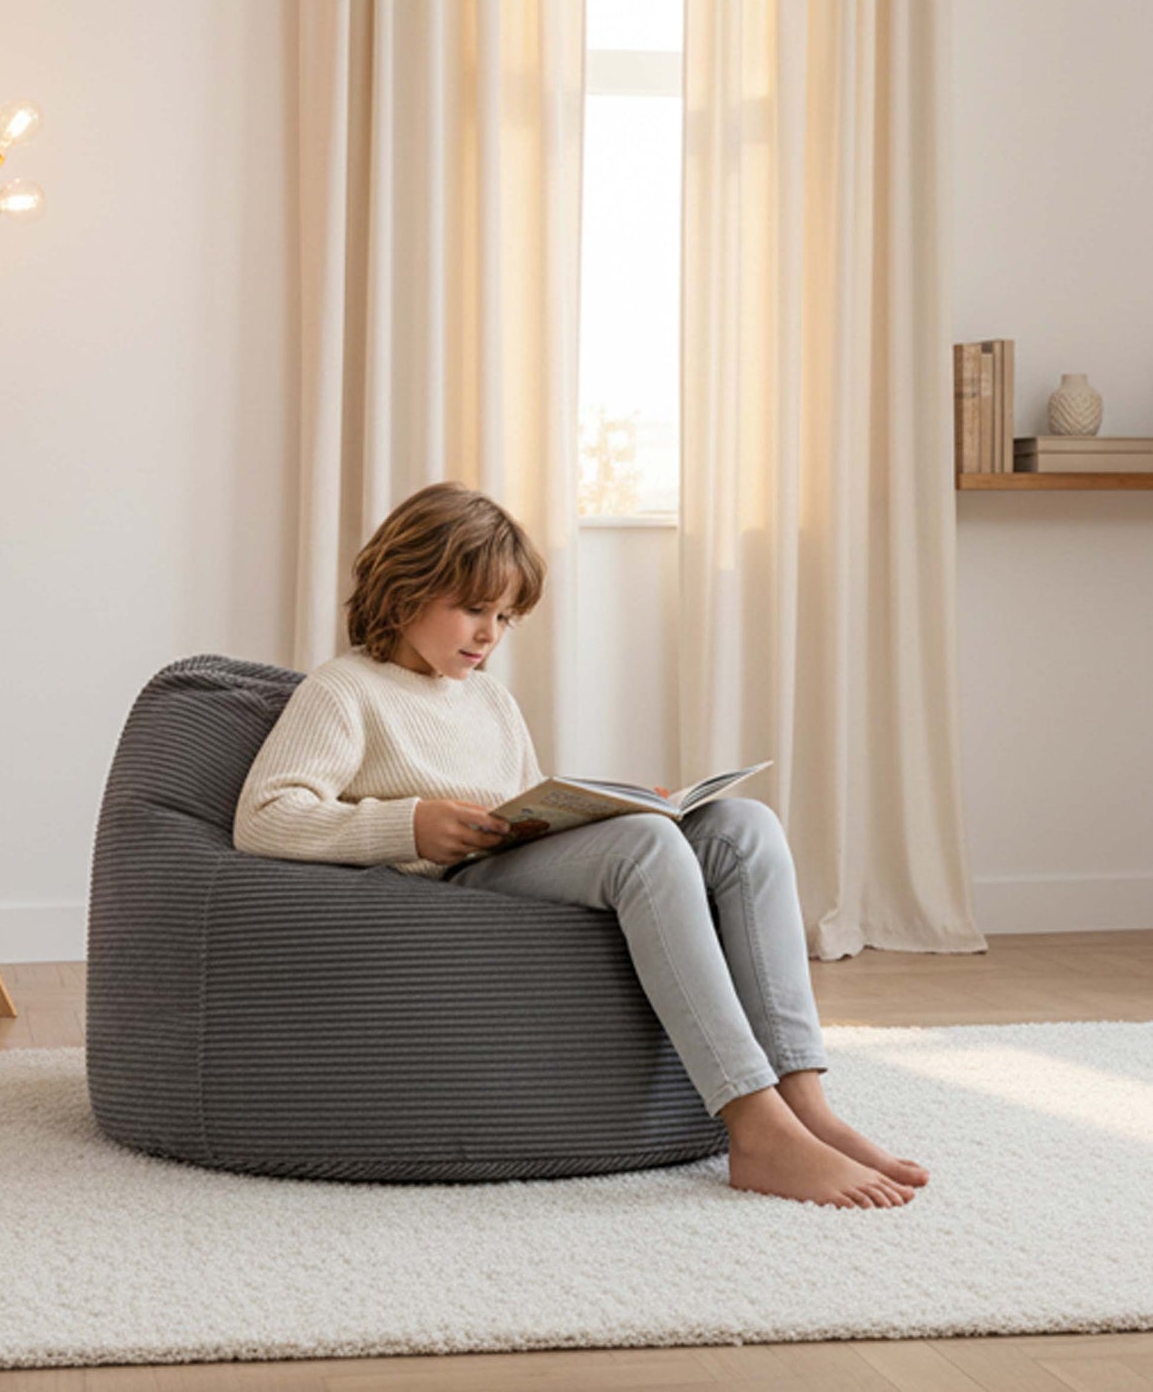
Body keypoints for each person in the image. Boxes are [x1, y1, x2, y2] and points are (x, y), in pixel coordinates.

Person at [233, 481, 928, 1209]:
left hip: (510, 860)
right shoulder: (343, 690)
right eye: (472, 609)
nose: (489, 634)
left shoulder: (491, 700)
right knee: (647, 849)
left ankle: (806, 1105)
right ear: (405, 590)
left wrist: (599, 811)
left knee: (744, 827)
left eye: (504, 616)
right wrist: (407, 825)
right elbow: (265, 817)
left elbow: (523, 801)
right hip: (453, 888)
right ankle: (755, 1127)